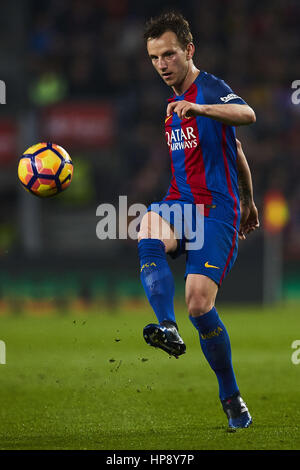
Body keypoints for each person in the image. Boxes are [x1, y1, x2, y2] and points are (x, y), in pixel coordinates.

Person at [137, 11, 259, 429]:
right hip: (180, 203)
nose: (162, 64)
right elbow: (235, 150)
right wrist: (253, 197)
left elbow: (247, 117)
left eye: (169, 54)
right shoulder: (172, 106)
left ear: (189, 50)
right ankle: (165, 327)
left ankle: (232, 398)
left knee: (199, 303)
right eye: (154, 57)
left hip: (216, 211)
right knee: (147, 228)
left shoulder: (210, 89)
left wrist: (245, 201)